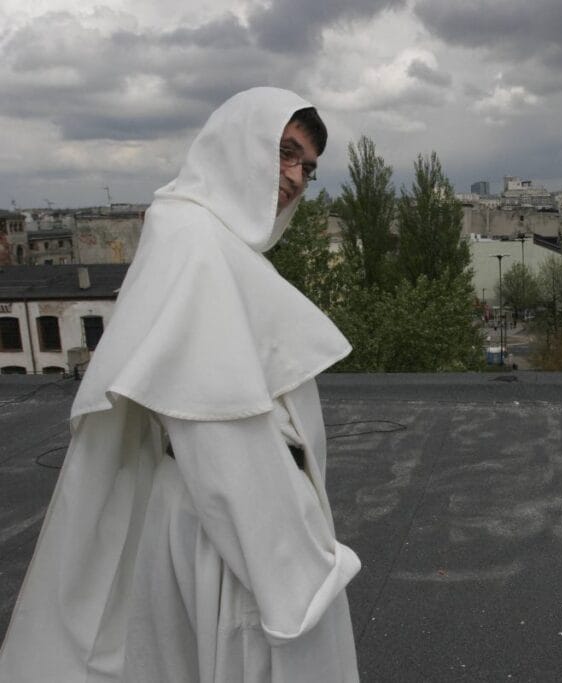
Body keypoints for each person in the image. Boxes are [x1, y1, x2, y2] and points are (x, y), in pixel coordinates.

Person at [0, 88, 361, 682]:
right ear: (238, 143)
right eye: (285, 153)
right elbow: (221, 442)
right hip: (236, 545)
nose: (295, 177)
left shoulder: (204, 239)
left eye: (307, 168)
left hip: (228, 530)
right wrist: (296, 578)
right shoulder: (194, 245)